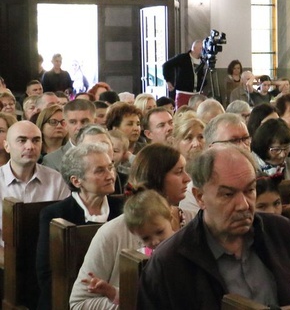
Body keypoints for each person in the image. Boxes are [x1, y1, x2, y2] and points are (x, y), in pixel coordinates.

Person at [137, 144, 290, 308]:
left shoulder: (280, 231)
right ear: (200, 197)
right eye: (228, 195)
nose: (244, 205)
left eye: (250, 190)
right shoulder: (169, 262)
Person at [70, 143, 194, 309]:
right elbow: (79, 303)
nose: (188, 178)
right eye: (178, 172)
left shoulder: (194, 221)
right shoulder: (113, 233)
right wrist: (129, 302)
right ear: (156, 177)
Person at [36, 143, 123, 310]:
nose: (110, 175)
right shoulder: (55, 214)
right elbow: (46, 274)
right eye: (100, 171)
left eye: (110, 167)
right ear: (76, 181)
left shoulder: (124, 209)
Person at [0, 121, 70, 247]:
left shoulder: (56, 180)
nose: (30, 146)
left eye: (36, 140)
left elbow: (66, 224)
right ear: (7, 146)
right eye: (22, 140)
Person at [123, 189, 176, 256]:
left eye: (160, 232)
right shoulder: (142, 256)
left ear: (170, 220)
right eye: (146, 238)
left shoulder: (185, 247)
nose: (155, 242)